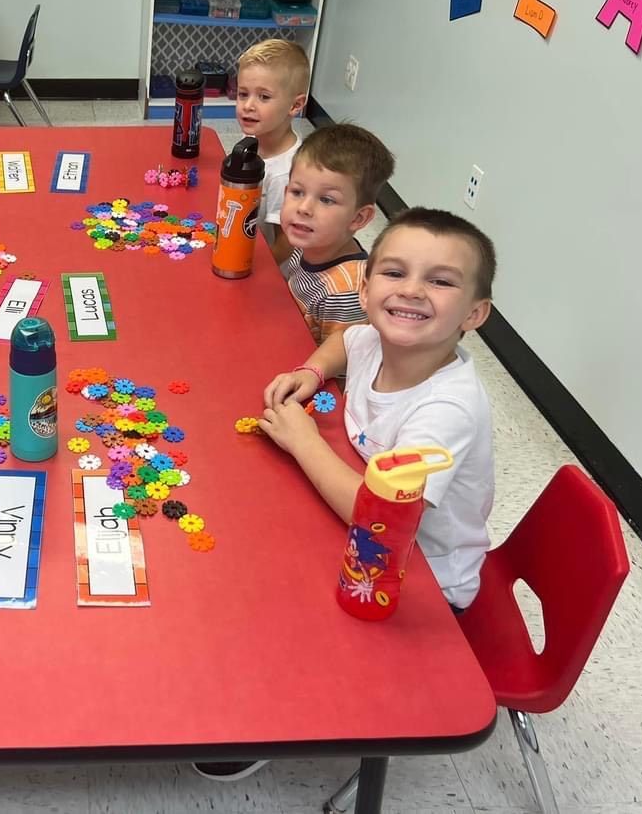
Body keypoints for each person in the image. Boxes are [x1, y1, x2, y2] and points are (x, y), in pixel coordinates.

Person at [196, 208, 496, 782]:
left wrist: (305, 441)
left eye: (440, 280)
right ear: (364, 286)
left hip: (413, 575)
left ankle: (276, 722)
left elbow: (373, 516)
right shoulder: (372, 338)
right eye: (394, 273)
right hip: (355, 529)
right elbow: (345, 343)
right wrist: (311, 370)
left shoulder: (446, 408)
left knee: (264, 599)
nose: (411, 291)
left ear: (474, 314)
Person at [279, 123, 395, 345]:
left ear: (358, 218)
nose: (303, 208)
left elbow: (343, 369)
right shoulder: (308, 243)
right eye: (297, 192)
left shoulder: (343, 295)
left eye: (326, 199)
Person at [234, 39, 310, 264]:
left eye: (264, 97)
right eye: (242, 94)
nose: (248, 105)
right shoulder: (252, 141)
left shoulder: (284, 173)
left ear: (295, 106)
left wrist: (253, 270)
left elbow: (285, 244)